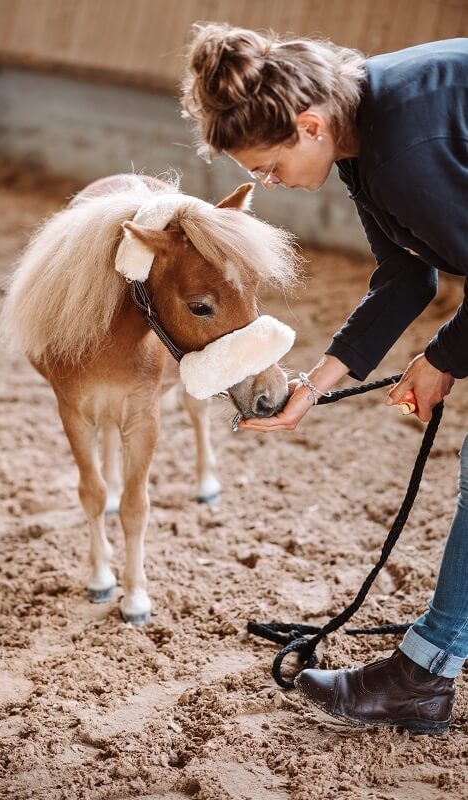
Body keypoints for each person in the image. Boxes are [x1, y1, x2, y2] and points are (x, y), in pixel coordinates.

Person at [180, 23, 467, 735]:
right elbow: (405, 276)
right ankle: (430, 667)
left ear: (308, 125)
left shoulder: (405, 146)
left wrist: (443, 358)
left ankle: (424, 674)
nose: (267, 183)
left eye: (269, 166)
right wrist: (312, 386)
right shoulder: (361, 132)